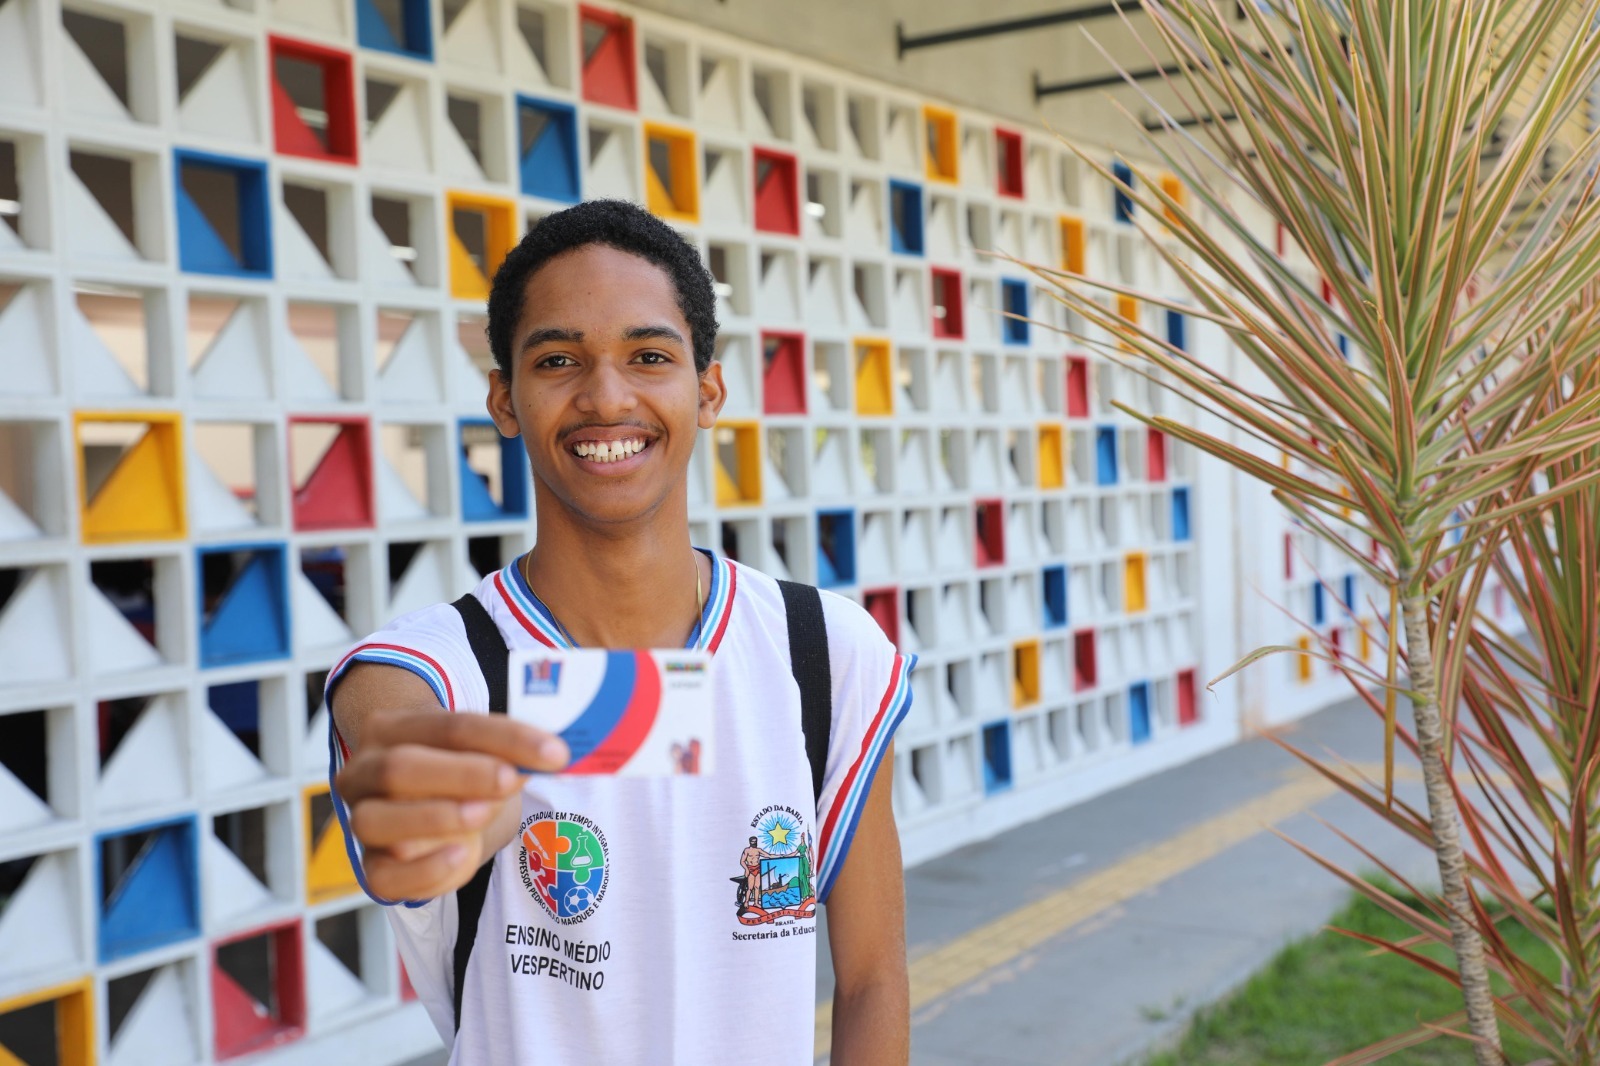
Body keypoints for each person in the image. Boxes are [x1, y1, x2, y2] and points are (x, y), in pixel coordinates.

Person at [328, 200, 913, 1065]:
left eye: (648, 356)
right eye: (558, 360)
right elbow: (394, 733)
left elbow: (871, 981)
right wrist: (428, 818)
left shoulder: (822, 651)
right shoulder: (441, 666)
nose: (606, 397)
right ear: (505, 399)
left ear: (708, 391)